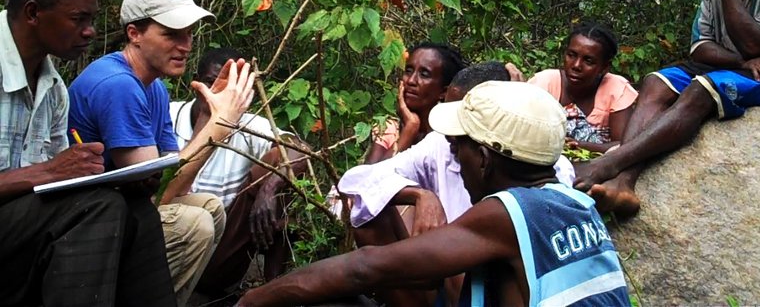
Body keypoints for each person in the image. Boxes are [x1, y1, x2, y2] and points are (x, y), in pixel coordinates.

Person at [237, 81, 630, 307]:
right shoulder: (576, 202)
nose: (453, 154)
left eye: (459, 145)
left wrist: (251, 301)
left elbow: (365, 267)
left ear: (484, 159)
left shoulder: (507, 214)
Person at [67, 0, 256, 306]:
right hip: (85, 229)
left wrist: (207, 116)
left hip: (123, 213)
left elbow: (176, 183)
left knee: (209, 207)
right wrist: (222, 124)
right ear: (134, 34)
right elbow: (160, 193)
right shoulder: (118, 85)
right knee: (193, 225)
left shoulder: (153, 86)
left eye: (189, 33)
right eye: (171, 34)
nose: (185, 45)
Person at [0, 0, 175, 306]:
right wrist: (50, 171)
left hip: (17, 235)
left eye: (91, 20)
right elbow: (48, 177)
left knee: (135, 211)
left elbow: (52, 193)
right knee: (96, 207)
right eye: (78, 19)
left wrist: (112, 179)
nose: (90, 31)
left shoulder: (54, 89)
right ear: (33, 13)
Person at [573, 0, 760, 218]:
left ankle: (610, 163)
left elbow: (754, 45)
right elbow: (700, 46)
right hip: (737, 67)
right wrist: (740, 61)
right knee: (656, 81)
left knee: (702, 89)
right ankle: (623, 183)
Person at [337, 61, 575, 306]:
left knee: (465, 257)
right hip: (447, 277)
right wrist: (420, 195)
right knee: (373, 214)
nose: (451, 129)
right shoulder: (441, 145)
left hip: (502, 283)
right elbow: (358, 180)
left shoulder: (547, 168)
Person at [169, 47, 310, 292]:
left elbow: (301, 149)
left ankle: (272, 288)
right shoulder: (168, 117)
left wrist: (269, 188)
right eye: (211, 83)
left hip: (219, 255)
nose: (218, 94)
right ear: (195, 83)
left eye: (229, 88)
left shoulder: (248, 126)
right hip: (167, 243)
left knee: (282, 164)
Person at [529, 22, 638, 153]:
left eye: (588, 61)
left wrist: (580, 145)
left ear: (604, 67)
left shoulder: (616, 89)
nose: (576, 65)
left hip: (600, 164)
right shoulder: (544, 83)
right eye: (571, 55)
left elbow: (624, 145)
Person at [366, 42, 466, 164]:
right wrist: (410, 128)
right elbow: (369, 174)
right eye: (408, 71)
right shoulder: (389, 128)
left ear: (444, 92)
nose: (411, 81)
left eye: (424, 74)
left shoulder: (450, 138)